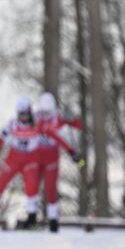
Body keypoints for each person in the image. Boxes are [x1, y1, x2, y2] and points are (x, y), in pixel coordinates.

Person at [0, 96, 80, 230]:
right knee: (0, 185)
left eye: (25, 114)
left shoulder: (38, 125)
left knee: (31, 187)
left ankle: (32, 218)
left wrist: (71, 151)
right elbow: (0, 139)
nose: (23, 117)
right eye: (20, 114)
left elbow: (55, 136)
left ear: (30, 112)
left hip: (31, 160)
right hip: (14, 159)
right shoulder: (12, 124)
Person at [35, 92, 82, 232]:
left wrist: (72, 119)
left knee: (50, 189)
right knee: (33, 186)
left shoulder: (58, 117)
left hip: (52, 157)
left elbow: (77, 125)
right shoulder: (35, 118)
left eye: (48, 112)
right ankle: (32, 217)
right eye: (43, 112)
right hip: (37, 156)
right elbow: (53, 135)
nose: (45, 115)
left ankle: (53, 220)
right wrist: (70, 151)